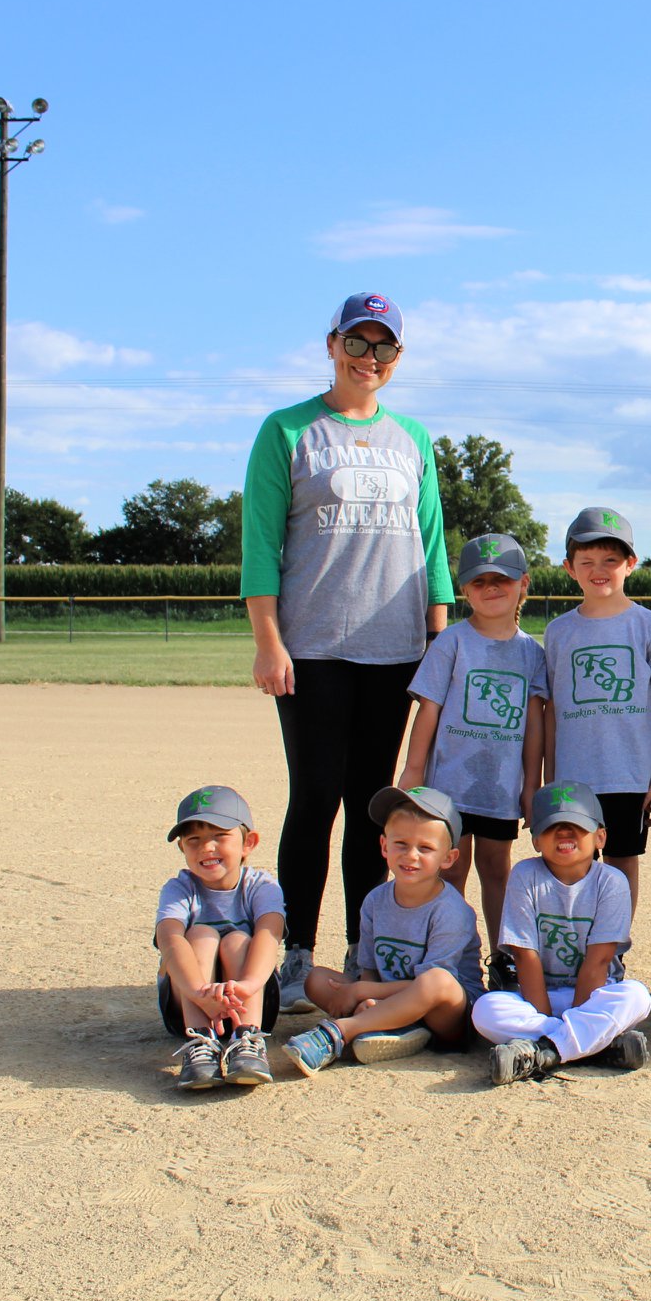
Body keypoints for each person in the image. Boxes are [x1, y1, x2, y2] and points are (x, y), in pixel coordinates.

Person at [241, 293, 453, 1013]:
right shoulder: (288, 429)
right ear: (332, 344)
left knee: (374, 805)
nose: (369, 358)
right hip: (314, 648)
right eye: (357, 343)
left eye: (383, 347)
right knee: (315, 798)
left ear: (398, 357)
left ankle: (367, 947)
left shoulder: (412, 438)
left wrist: (439, 638)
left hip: (395, 649)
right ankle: (296, 953)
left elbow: (431, 544)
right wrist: (268, 641)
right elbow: (260, 544)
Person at [398, 532, 548, 990]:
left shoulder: (531, 652)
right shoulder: (452, 642)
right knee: (452, 869)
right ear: (464, 589)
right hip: (449, 785)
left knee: (497, 869)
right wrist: (413, 772)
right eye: (479, 581)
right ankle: (453, 957)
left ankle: (503, 957)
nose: (491, 588)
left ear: (523, 584)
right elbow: (429, 709)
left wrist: (531, 784)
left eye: (502, 579)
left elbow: (534, 724)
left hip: (500, 786)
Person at [541, 507, 651, 913]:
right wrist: (550, 777)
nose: (598, 570)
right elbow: (551, 710)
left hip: (629, 773)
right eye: (586, 561)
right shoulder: (559, 631)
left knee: (622, 864)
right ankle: (576, 942)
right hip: (574, 775)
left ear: (630, 564)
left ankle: (614, 942)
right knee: (571, 864)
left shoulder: (648, 624)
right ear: (569, 568)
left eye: (610, 560)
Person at [281, 787, 484, 1076]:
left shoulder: (452, 910)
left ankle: (342, 1031)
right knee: (316, 979)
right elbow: (370, 969)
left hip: (447, 1016)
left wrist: (364, 992)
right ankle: (392, 1027)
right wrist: (367, 998)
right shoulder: (375, 900)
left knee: (437, 980)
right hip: (387, 994)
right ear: (384, 846)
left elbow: (433, 985)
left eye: (425, 848)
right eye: (401, 843)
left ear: (449, 858)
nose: (411, 855)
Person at [475, 780, 651, 1085]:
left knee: (636, 997)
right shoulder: (525, 874)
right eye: (551, 827)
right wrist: (548, 1017)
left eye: (577, 826)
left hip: (593, 997)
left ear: (600, 837)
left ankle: (542, 1051)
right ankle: (593, 1045)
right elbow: (524, 955)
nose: (564, 834)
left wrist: (576, 1014)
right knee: (485, 1010)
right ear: (535, 840)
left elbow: (599, 960)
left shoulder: (611, 881)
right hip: (537, 997)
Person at [155, 785, 285, 1090]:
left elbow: (270, 934)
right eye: (194, 840)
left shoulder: (261, 886)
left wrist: (246, 986)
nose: (206, 848)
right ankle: (200, 1041)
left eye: (219, 836)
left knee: (238, 939)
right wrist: (199, 992)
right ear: (182, 847)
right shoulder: (179, 888)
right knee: (199, 935)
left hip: (250, 1002)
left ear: (248, 842)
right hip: (189, 1003)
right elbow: (169, 939)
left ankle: (247, 1039)